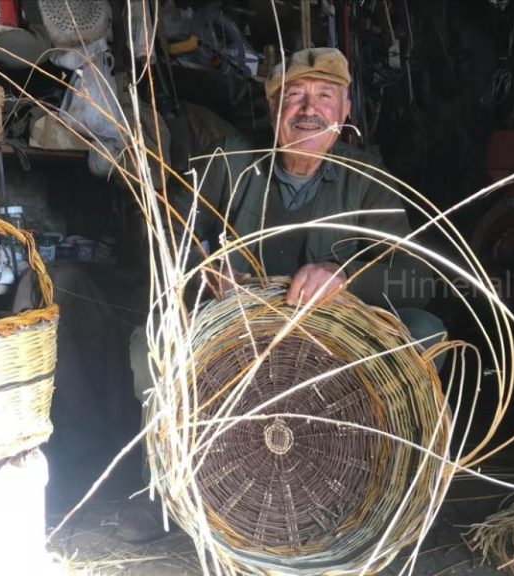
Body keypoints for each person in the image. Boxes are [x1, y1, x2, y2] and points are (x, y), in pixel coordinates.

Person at [120, 46, 445, 543]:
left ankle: (385, 495)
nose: (308, 109)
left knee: (426, 332)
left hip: (336, 343)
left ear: (346, 110)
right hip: (237, 335)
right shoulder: (231, 161)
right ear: (274, 110)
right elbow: (169, 238)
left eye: (324, 96)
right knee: (153, 338)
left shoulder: (369, 180)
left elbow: (416, 276)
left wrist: (345, 275)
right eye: (293, 97)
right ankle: (165, 488)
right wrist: (196, 281)